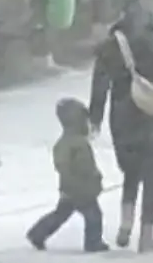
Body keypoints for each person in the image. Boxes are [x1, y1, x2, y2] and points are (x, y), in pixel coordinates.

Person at [89, 0, 153, 252]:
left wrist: (95, 116)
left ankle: (126, 223)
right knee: (150, 175)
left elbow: (100, 83)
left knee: (131, 171)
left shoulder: (113, 45)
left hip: (123, 114)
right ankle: (146, 235)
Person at [27, 97, 108, 253]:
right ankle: (93, 242)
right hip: (82, 189)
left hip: (69, 188)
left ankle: (37, 233)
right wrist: (93, 177)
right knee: (94, 216)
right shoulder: (79, 144)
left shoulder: (64, 142)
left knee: (60, 215)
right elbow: (86, 166)